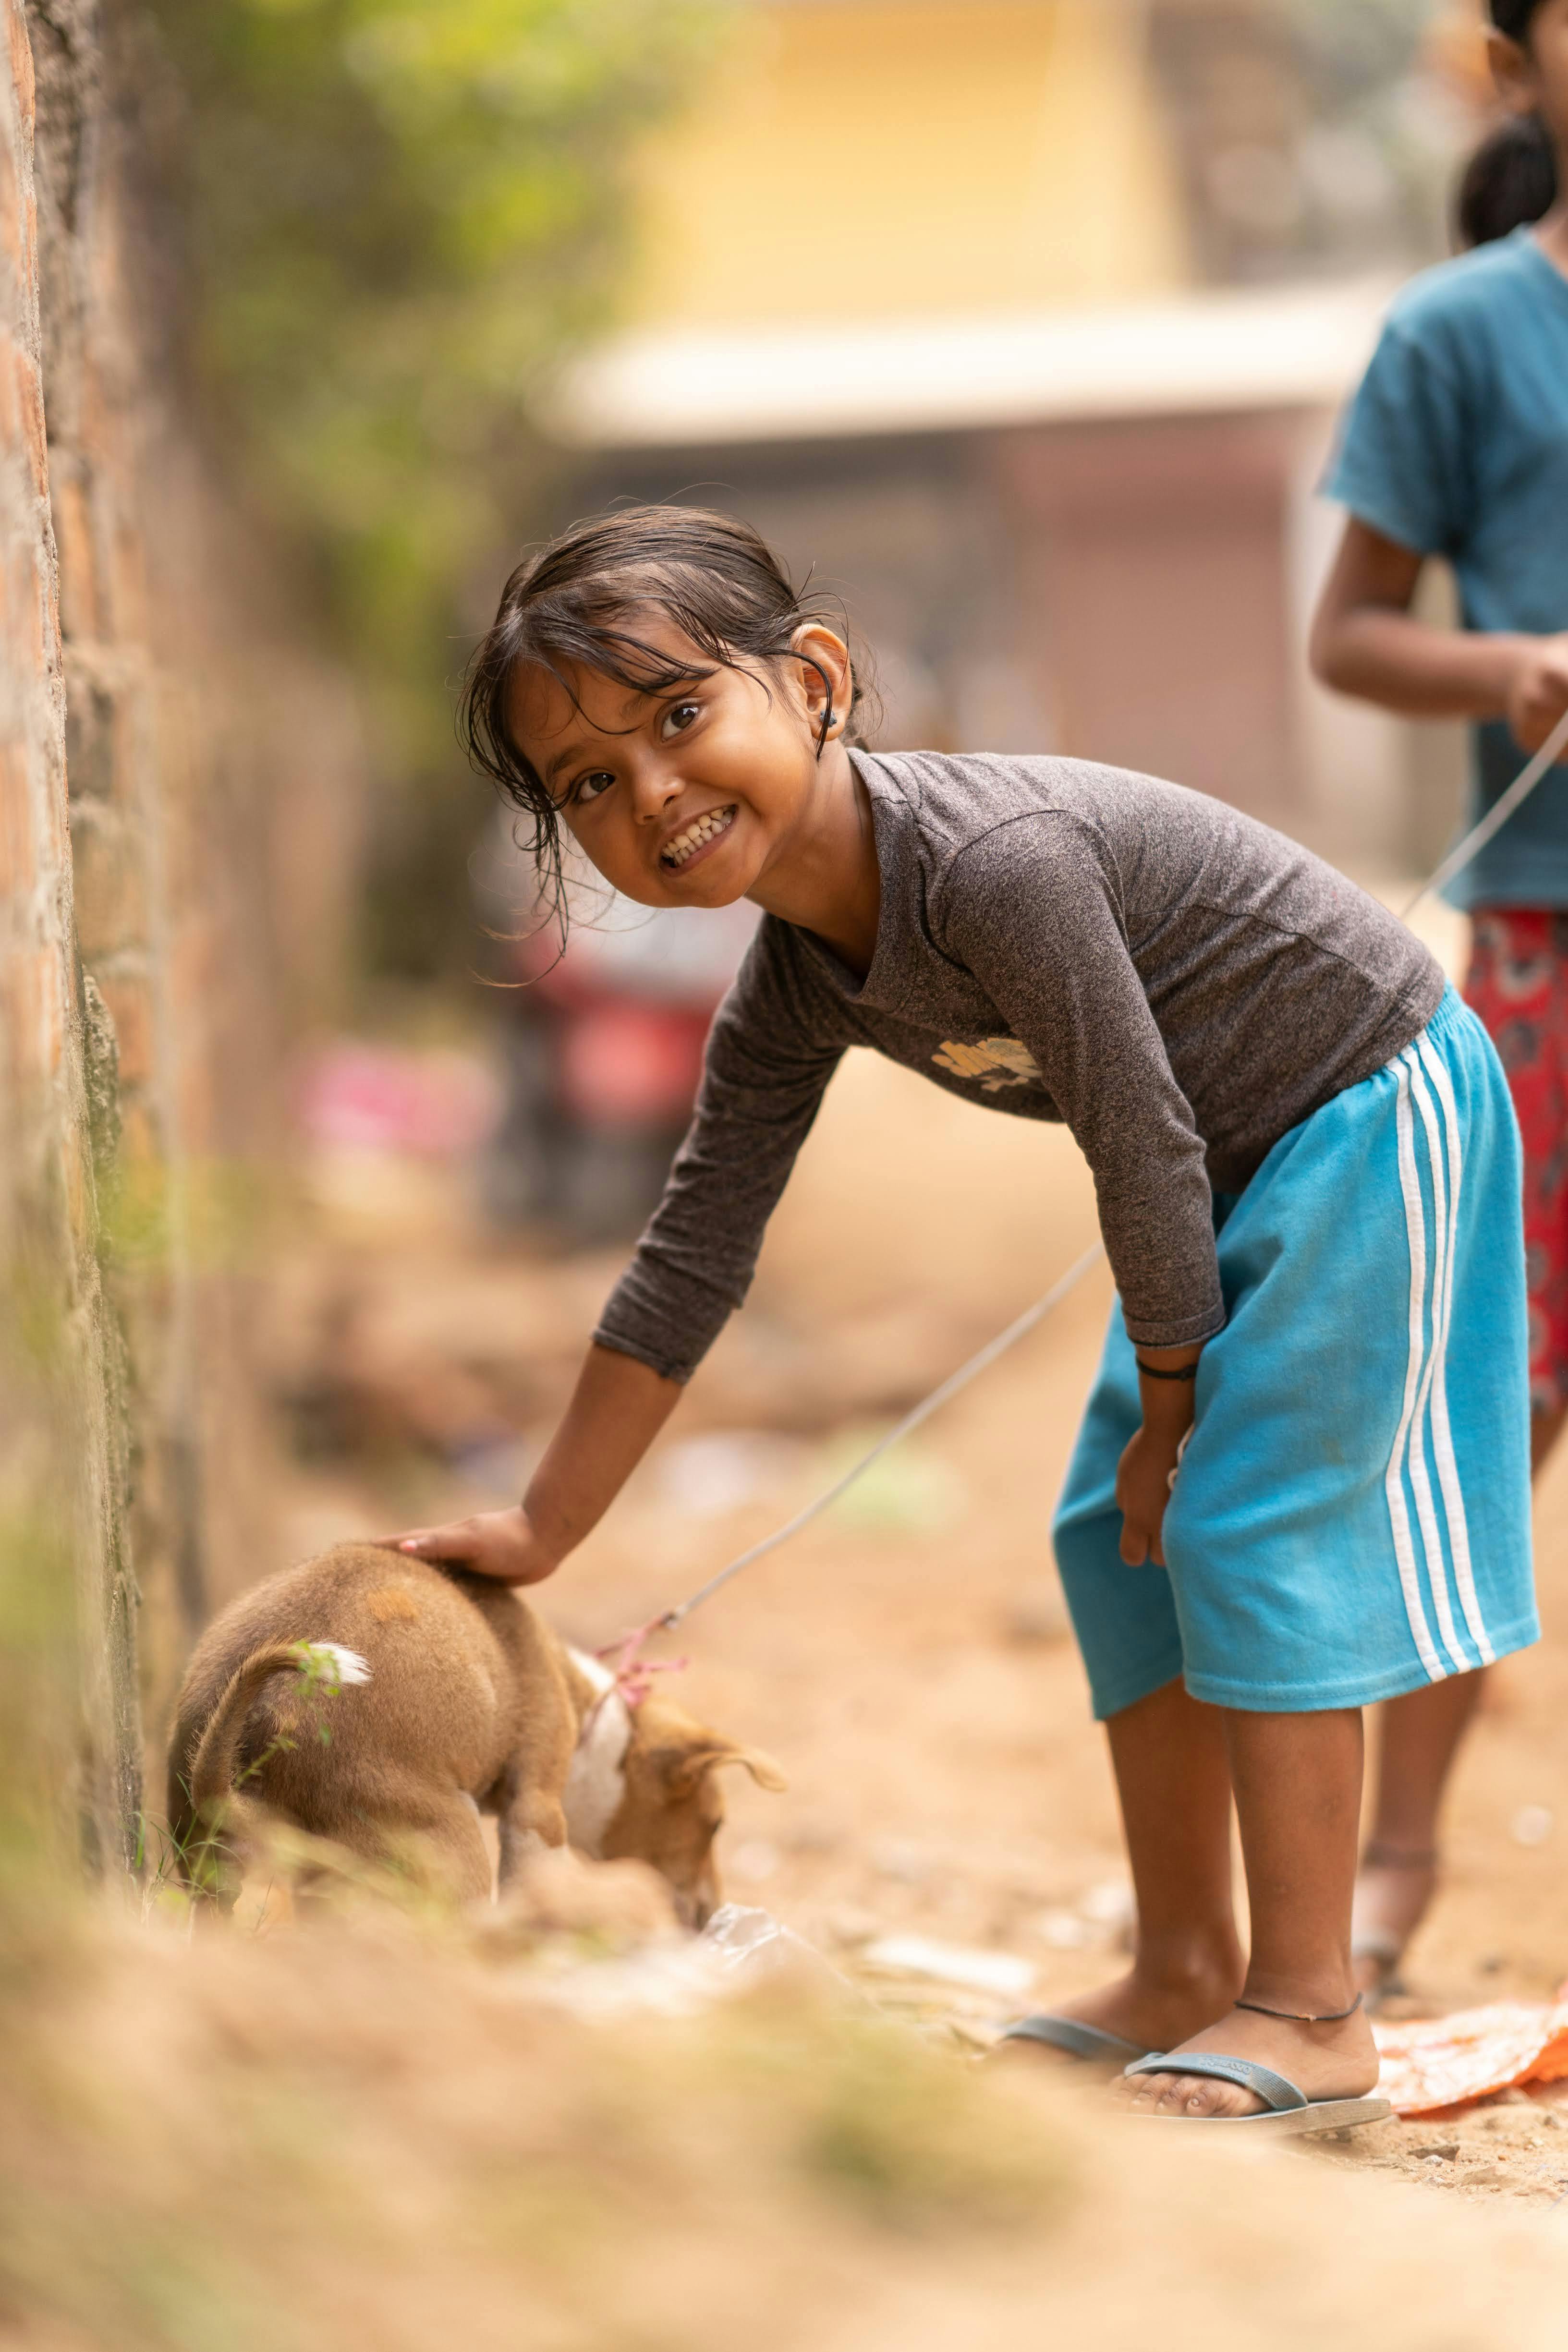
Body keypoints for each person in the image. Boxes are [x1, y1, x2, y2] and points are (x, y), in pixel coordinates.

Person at [382, 504, 1534, 2122]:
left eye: (680, 714)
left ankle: (1311, 2005)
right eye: (588, 782)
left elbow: (1139, 1135)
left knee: (1244, 1519)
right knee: (1102, 1526)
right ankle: (1187, 1960)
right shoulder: (793, 979)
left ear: (817, 680)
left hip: (1360, 1103)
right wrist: (542, 1522)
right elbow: (694, 1248)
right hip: (1229, 1169)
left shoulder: (992, 868)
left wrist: (1180, 1410)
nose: (651, 790)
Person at [1310, 0, 1568, 2000]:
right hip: (1542, 938)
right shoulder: (1461, 333)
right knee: (1498, 1394)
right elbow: (1353, 633)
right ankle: (1389, 1861)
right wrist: (1515, 671)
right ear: (1515, 60)